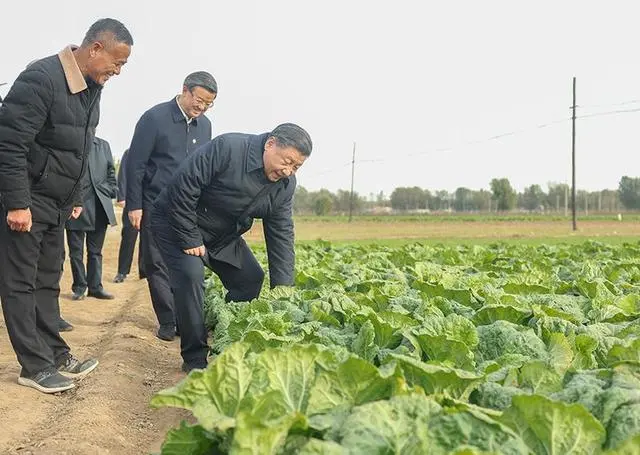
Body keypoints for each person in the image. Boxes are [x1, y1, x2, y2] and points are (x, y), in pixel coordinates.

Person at [0, 18, 133, 394]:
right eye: (116, 62)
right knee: (20, 284)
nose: (117, 71)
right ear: (95, 49)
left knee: (47, 280)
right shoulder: (41, 79)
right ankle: (34, 366)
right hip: (27, 200)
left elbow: (80, 148)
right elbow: (9, 145)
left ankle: (56, 353)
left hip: (57, 204)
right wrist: (17, 203)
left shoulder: (92, 86)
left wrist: (74, 198)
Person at [151, 123, 311, 372]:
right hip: (177, 220)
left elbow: (281, 234)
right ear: (270, 144)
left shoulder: (284, 186)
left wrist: (283, 290)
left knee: (250, 279)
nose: (288, 171)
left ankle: (228, 335)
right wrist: (191, 238)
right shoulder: (229, 148)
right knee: (191, 276)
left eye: (296, 167)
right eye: (287, 161)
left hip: (223, 234)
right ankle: (194, 358)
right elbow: (183, 187)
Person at [126, 71, 217, 342]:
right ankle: (168, 320)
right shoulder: (154, 118)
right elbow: (136, 164)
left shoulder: (206, 126)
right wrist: (135, 205)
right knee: (157, 263)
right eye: (199, 100)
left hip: (189, 208)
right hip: (155, 204)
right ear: (185, 90)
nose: (201, 107)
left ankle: (185, 318)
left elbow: (206, 169)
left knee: (188, 264)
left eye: (208, 103)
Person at [65, 136, 117, 300]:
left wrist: (110, 189)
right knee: (76, 252)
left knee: (95, 252)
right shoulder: (70, 142)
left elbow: (110, 171)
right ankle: (80, 287)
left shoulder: (103, 145)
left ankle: (95, 287)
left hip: (99, 205)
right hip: (75, 206)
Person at [113, 148, 145, 283]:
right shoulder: (130, 152)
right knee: (128, 237)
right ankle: (122, 272)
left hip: (151, 201)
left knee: (148, 240)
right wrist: (121, 196)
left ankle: (144, 272)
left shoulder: (159, 152)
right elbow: (123, 174)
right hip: (133, 201)